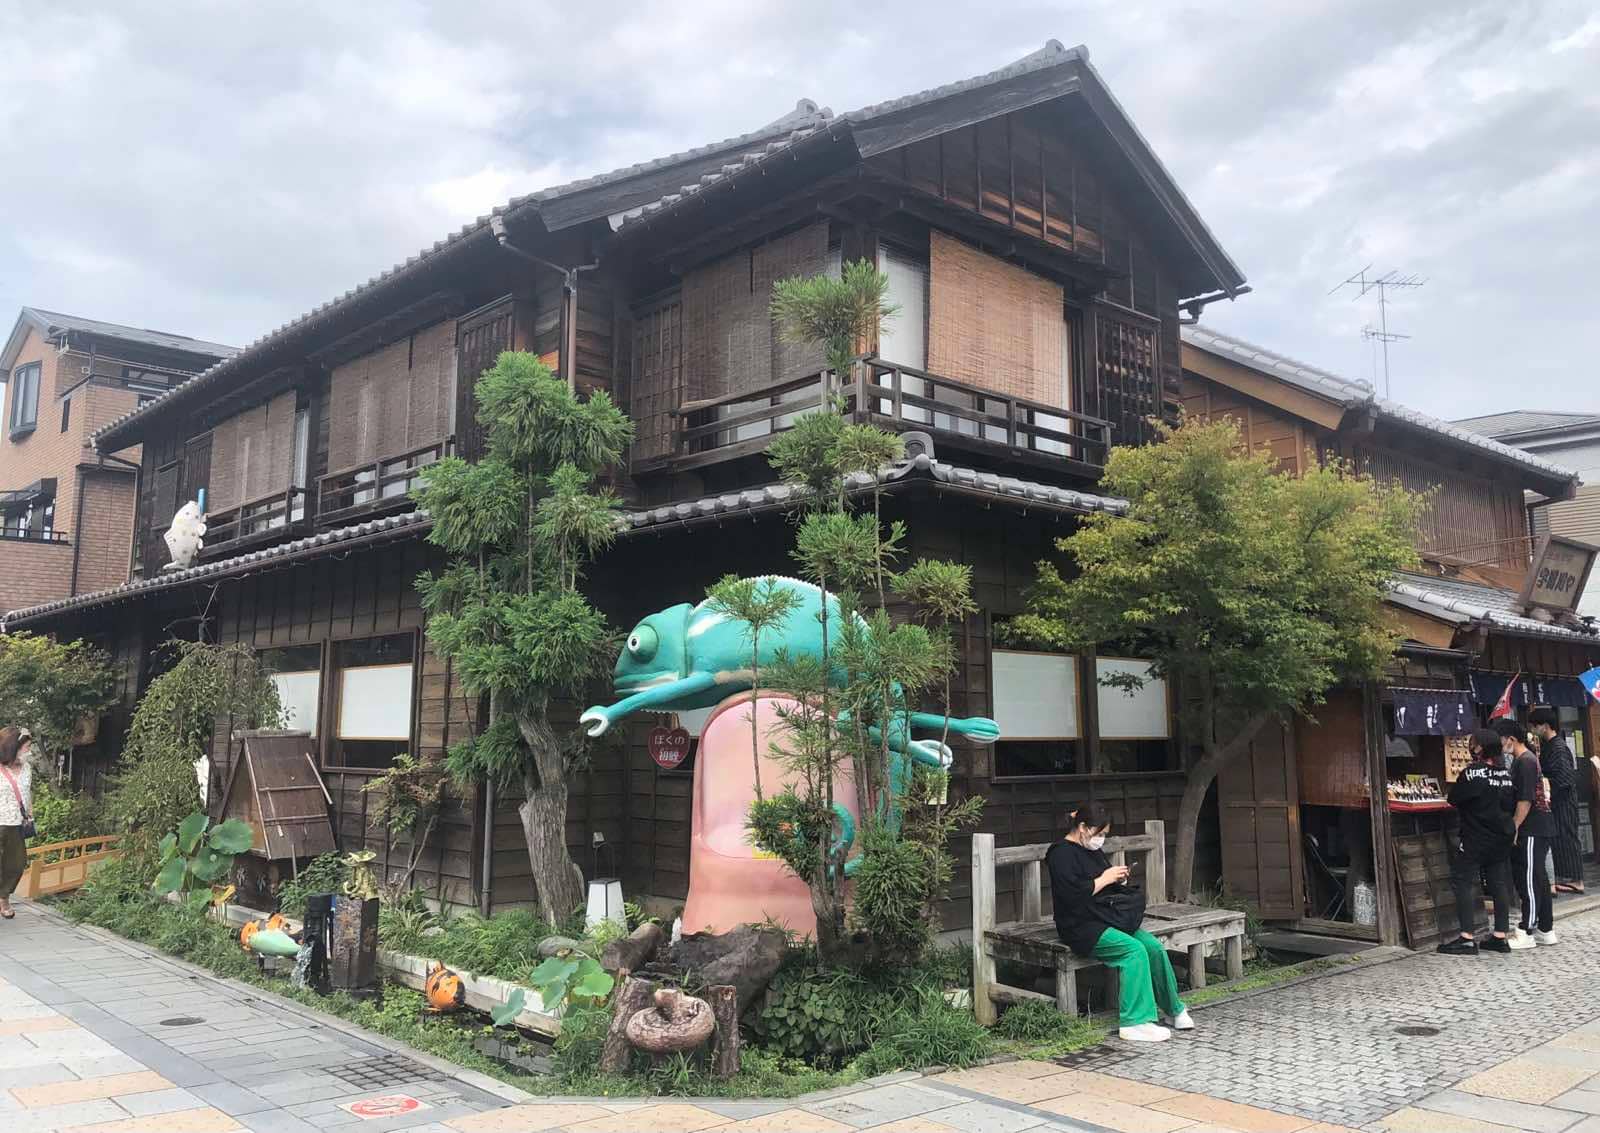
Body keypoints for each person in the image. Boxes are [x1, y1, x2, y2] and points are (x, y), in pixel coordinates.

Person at [1045, 803, 1192, 1042]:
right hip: (1080, 925)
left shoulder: (1090, 849)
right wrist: (1104, 878)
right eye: (1099, 833)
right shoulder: (1060, 853)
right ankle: (1134, 1021)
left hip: (1106, 916)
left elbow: (1102, 886)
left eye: (1104, 835)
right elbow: (1071, 897)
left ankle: (1173, 1009)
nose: (1101, 839)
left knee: (1152, 947)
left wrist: (1117, 880)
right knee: (1133, 951)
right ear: (1082, 827)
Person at [1438, 729, 1518, 954]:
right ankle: (1500, 936)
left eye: (1473, 743)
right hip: (1501, 836)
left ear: (1480, 747)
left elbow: (1454, 798)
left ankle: (1466, 937)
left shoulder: (1473, 773)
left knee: (1461, 879)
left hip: (1476, 836)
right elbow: (1510, 803)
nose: (1471, 746)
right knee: (1498, 883)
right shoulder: (1504, 773)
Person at [1498, 718, 1556, 945]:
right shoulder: (1525, 760)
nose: (1501, 746)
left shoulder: (1525, 762)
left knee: (1529, 878)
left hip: (1532, 826)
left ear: (1510, 739)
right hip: (1537, 826)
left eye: (1501, 741)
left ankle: (1527, 930)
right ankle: (1545, 928)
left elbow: (1525, 800)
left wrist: (1514, 826)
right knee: (1539, 878)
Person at [1530, 708, 1584, 894]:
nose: (1533, 729)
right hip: (1557, 800)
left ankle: (1576, 880)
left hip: (1563, 801)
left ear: (1545, 726)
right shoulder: (1550, 746)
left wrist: (1546, 787)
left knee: (1567, 837)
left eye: (1535, 725)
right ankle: (1567, 877)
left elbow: (1564, 778)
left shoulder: (1558, 747)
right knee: (1560, 838)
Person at [0, 726, 34, 920]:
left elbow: (28, 793)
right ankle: (3, 901)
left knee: (16, 864)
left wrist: (30, 814)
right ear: (13, 747)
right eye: (26, 747)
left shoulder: (27, 768)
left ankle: (4, 895)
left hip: (17, 823)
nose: (28, 751)